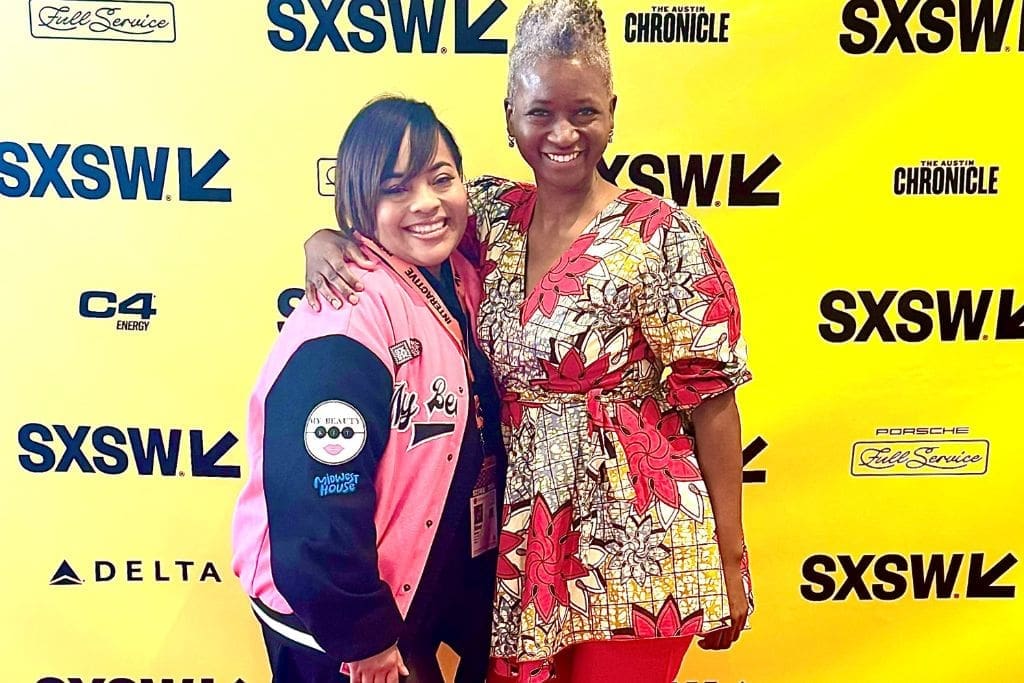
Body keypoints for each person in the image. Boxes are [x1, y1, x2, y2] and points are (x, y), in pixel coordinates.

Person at [303, 2, 754, 682]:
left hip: (644, 539)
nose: (563, 133)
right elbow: (401, 233)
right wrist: (325, 241)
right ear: (510, 115)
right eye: (541, 112)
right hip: (526, 540)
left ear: (612, 112)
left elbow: (713, 403)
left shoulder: (661, 235)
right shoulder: (488, 215)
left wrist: (730, 557)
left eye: (584, 112)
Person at [232, 96, 504, 683]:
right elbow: (317, 501)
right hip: (333, 628)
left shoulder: (461, 274)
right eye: (396, 188)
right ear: (359, 201)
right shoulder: (348, 316)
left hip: (407, 597)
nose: (427, 203)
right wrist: (366, 638)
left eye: (441, 178)